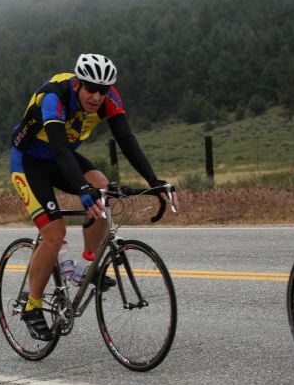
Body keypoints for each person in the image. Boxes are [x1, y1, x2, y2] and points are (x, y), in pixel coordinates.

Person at [9, 54, 176, 341]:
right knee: (54, 233)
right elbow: (61, 150)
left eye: (103, 90)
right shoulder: (54, 96)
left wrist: (154, 181)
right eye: (91, 89)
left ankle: (85, 266)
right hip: (30, 163)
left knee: (104, 189)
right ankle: (32, 306)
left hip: (63, 158)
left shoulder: (109, 98)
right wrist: (81, 189)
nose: (97, 96)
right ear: (77, 85)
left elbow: (126, 140)